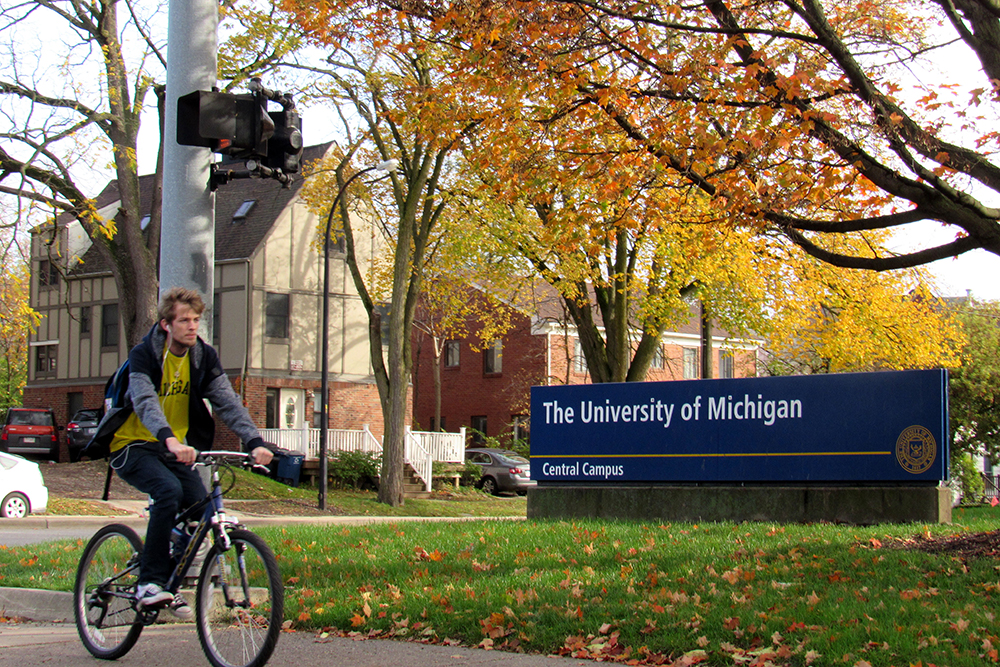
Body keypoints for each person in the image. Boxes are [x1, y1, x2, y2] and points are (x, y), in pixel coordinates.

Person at [98, 287, 273, 618]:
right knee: (168, 491)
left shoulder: (202, 357)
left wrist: (254, 441)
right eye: (184, 321)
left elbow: (227, 402)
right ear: (166, 324)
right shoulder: (145, 355)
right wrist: (170, 439)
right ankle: (149, 583)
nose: (192, 327)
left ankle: (167, 581)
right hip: (132, 445)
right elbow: (146, 402)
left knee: (199, 505)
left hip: (174, 449)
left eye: (196, 320)